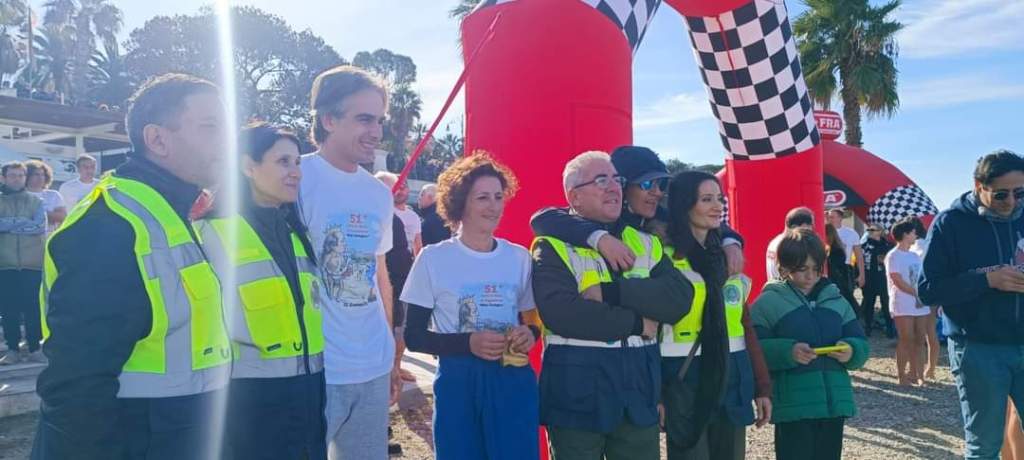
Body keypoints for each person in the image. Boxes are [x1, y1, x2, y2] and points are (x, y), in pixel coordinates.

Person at [33, 73, 233, 459]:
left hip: (172, 434)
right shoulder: (110, 224)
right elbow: (77, 386)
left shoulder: (168, 212)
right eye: (211, 127)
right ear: (157, 139)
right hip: (133, 440)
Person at [531, 151, 693, 460]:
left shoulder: (644, 241)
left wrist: (613, 293)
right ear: (573, 197)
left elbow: (678, 300)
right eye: (601, 180)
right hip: (576, 397)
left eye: (616, 180)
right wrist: (637, 324)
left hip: (638, 394)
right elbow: (563, 314)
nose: (614, 188)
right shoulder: (551, 245)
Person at [193, 123, 327, 459]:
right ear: (248, 166)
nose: (296, 172)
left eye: (297, 162)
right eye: (283, 162)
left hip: (309, 395)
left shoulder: (297, 234)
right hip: (246, 405)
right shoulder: (209, 234)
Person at [401, 152, 540, 459]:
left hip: (511, 378)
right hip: (458, 381)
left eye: (498, 196)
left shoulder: (518, 257)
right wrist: (469, 343)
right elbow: (413, 335)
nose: (493, 206)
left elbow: (532, 321)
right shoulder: (433, 258)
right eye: (482, 198)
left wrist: (530, 334)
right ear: (460, 203)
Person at [298, 65, 401, 460]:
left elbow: (380, 277)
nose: (376, 132)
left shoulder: (378, 194)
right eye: (363, 119)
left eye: (379, 120)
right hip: (315, 369)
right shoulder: (294, 178)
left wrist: (390, 353)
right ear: (328, 120)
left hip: (373, 364)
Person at [658, 171, 772, 460]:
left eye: (719, 199)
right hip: (683, 378)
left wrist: (762, 387)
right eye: (706, 199)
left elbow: (745, 327)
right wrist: (656, 394)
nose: (717, 206)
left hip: (732, 374)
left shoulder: (727, 257)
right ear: (685, 204)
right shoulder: (662, 257)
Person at [918, 149, 1024, 460]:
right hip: (978, 347)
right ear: (979, 186)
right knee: (985, 444)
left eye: (1020, 193)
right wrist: (987, 281)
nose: (1012, 203)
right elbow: (928, 289)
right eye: (1001, 195)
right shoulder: (950, 223)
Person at [531, 145, 746, 279]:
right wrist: (600, 238)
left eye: (661, 184)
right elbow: (544, 217)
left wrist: (730, 241)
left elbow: (698, 217)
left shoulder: (661, 216)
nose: (656, 192)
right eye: (646, 185)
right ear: (623, 185)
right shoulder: (601, 220)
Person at [751, 227, 869, 460]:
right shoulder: (766, 303)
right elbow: (755, 351)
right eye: (802, 269)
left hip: (834, 406)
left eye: (816, 269)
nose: (811, 276)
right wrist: (788, 352)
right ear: (783, 269)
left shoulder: (837, 299)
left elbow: (861, 343)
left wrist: (851, 351)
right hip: (793, 407)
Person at [0, 161, 46, 365]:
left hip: (32, 263)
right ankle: (12, 349)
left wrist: (9, 225)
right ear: (3, 178)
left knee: (33, 307)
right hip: (5, 263)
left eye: (20, 175)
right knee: (8, 308)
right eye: (12, 175)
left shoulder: (36, 201)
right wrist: (21, 222)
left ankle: (35, 347)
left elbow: (38, 226)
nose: (16, 179)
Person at [886, 218, 929, 386]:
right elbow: (896, 279)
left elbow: (920, 277)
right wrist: (914, 292)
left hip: (919, 304)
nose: (915, 235)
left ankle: (917, 374)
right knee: (906, 338)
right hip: (902, 302)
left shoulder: (914, 256)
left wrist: (923, 293)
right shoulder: (893, 256)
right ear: (905, 234)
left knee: (920, 338)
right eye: (912, 232)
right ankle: (901, 376)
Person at [908, 216, 940, 379]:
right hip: (929, 291)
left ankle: (926, 369)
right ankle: (930, 368)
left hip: (920, 293)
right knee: (930, 332)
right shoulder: (925, 242)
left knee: (924, 333)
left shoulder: (917, 246)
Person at [860, 223, 894, 337]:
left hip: (883, 277)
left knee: (886, 303)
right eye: (869, 229)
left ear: (880, 231)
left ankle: (890, 328)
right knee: (869, 303)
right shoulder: (864, 245)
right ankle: (867, 327)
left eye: (873, 229)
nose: (870, 231)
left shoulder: (887, 245)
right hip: (869, 277)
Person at [377, 172, 422, 256]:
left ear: (408, 189)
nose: (399, 191)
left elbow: (418, 246)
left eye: (403, 187)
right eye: (396, 187)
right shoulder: (384, 213)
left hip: (405, 264)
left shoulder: (414, 217)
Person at [765, 207, 815, 281]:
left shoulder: (775, 242)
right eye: (810, 225)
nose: (812, 229)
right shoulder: (789, 246)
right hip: (786, 289)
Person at [24, 160, 67, 234]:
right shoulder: (18, 195)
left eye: (42, 175)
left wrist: (38, 214)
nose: (40, 177)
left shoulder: (53, 195)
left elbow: (62, 217)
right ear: (27, 176)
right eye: (36, 174)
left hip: (46, 236)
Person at [827, 208, 865, 289]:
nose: (830, 219)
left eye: (833, 217)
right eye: (829, 217)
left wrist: (862, 275)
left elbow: (859, 256)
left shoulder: (851, 233)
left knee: (848, 295)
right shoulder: (824, 232)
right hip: (829, 267)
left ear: (840, 218)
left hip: (846, 268)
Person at [825, 223, 858, 311]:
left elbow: (835, 269)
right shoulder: (835, 248)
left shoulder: (835, 251)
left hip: (839, 284)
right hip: (840, 283)